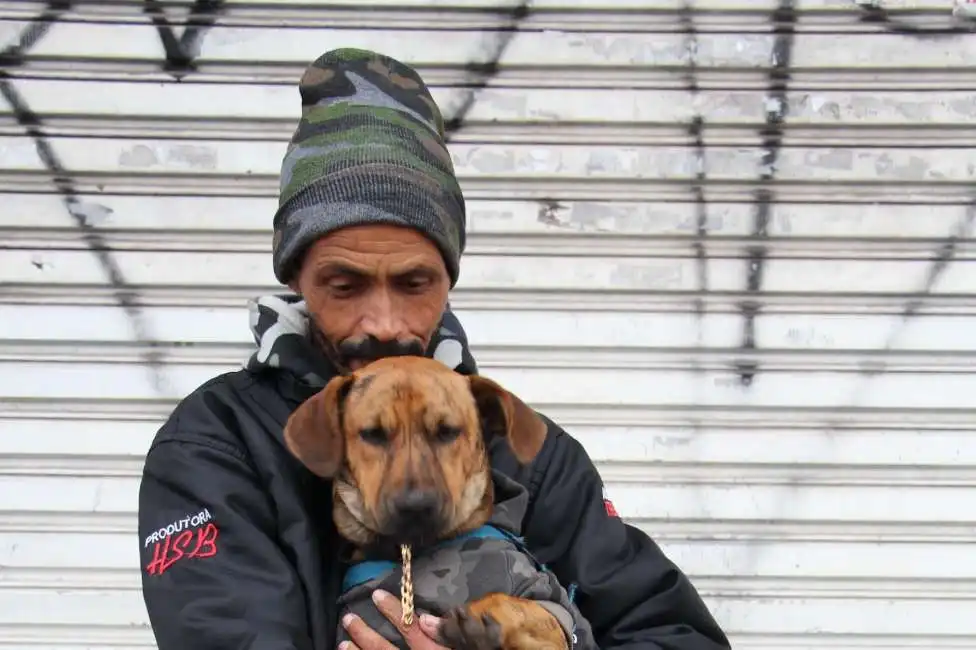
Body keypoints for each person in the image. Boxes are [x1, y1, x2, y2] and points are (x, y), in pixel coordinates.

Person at [137, 47, 731, 650]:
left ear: (449, 278)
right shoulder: (219, 446)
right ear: (296, 278)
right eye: (345, 285)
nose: (384, 321)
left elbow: (678, 637)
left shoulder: (532, 453)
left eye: (414, 283)